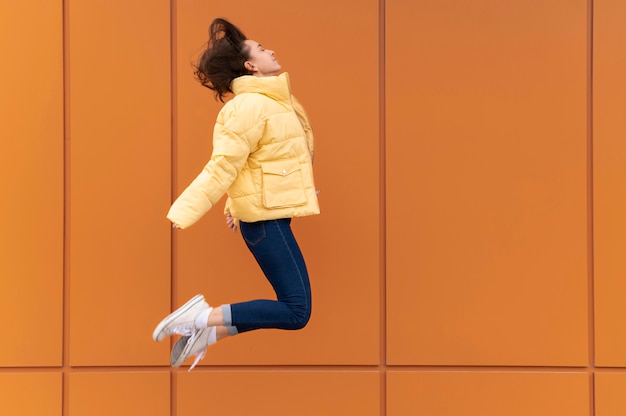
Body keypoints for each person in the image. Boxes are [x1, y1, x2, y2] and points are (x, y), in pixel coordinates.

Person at [152, 18, 319, 371]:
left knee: (294, 309)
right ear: (250, 66)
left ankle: (208, 333)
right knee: (296, 309)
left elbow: (260, 161)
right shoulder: (246, 108)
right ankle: (201, 317)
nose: (269, 50)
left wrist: (233, 201)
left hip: (268, 215)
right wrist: (185, 210)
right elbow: (223, 165)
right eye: (260, 49)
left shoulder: (275, 101)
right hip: (263, 221)